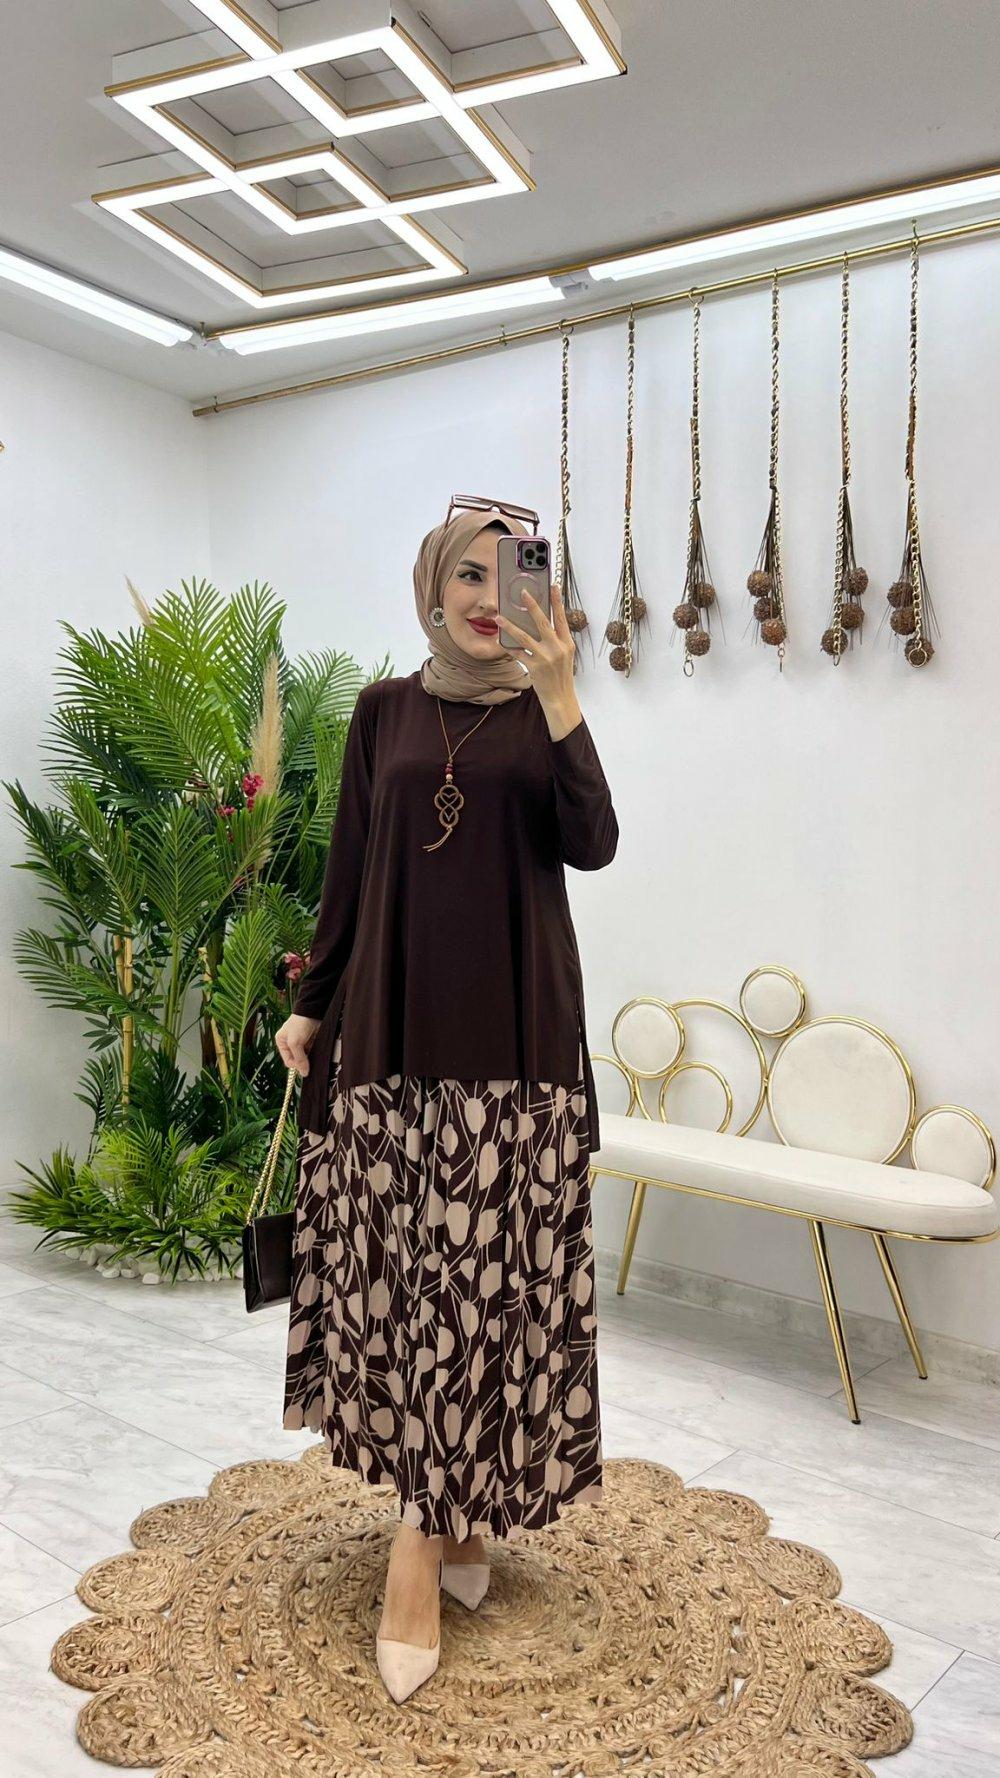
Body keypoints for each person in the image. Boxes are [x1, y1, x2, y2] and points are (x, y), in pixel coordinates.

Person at [275, 495, 619, 1703]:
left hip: (516, 1047)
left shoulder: (542, 710)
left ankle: (427, 1539)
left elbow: (593, 843)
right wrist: (313, 1002)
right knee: (414, 1287)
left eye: (510, 575)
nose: (485, 596)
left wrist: (564, 697)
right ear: (431, 586)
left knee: (483, 1291)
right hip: (393, 1040)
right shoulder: (383, 711)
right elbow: (349, 867)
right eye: (466, 573)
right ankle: (439, 1524)